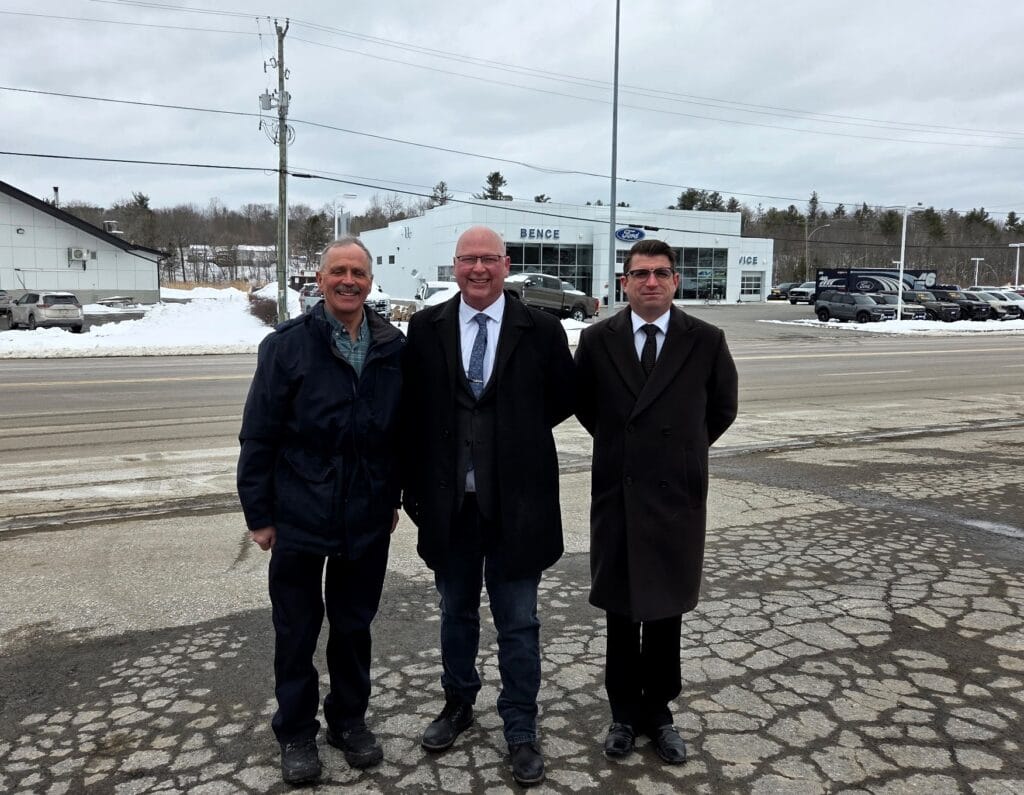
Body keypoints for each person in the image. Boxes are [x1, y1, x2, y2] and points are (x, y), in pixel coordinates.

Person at [401, 225, 573, 787]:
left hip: (518, 508)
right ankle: (458, 703)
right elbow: (416, 410)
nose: (479, 269)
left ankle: (520, 726)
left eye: (489, 260)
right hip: (451, 508)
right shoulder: (425, 328)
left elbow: (563, 398)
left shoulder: (542, 330)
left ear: (506, 266)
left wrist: (511, 435)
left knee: (519, 624)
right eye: (468, 260)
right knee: (455, 614)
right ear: (455, 266)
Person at [237, 237, 404, 786]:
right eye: (339, 271)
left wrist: (393, 496)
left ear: (370, 281)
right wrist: (259, 514)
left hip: (366, 516)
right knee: (297, 629)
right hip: (299, 514)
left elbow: (400, 435)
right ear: (320, 278)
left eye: (358, 271)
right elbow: (258, 435)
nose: (349, 280)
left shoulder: (390, 346)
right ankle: (296, 731)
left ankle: (348, 722)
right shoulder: (286, 347)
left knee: (354, 628)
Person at [574, 238, 738, 764]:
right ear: (623, 282)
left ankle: (659, 713)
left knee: (667, 611)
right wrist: (627, 451)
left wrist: (683, 454)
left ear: (676, 281)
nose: (650, 282)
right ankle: (623, 714)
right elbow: (586, 407)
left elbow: (722, 409)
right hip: (618, 493)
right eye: (640, 273)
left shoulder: (705, 340)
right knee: (620, 612)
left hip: (676, 497)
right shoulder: (599, 340)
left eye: (661, 273)